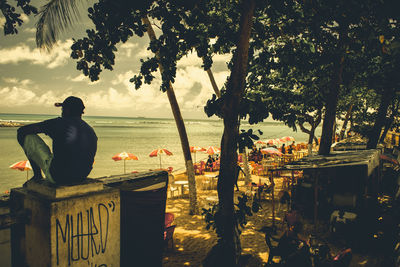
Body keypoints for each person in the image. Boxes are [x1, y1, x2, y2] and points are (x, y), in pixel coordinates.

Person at [17, 96, 97, 186]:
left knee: (24, 135)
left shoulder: (58, 123)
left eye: (62, 109)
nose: (62, 112)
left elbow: (23, 130)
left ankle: (37, 176)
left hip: (58, 177)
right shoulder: (89, 129)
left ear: (67, 110)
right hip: (82, 176)